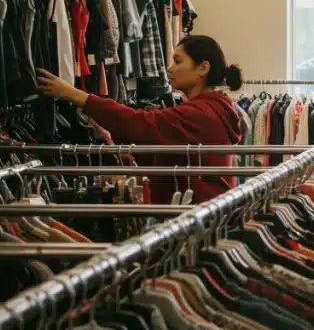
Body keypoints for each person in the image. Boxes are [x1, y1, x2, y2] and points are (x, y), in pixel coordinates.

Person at [36, 34, 246, 204]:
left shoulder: (201, 113)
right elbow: (162, 151)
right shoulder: (211, 108)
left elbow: (139, 123)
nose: (170, 68)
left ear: (203, 68)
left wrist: (74, 94)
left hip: (197, 217)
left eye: (178, 61)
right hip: (202, 210)